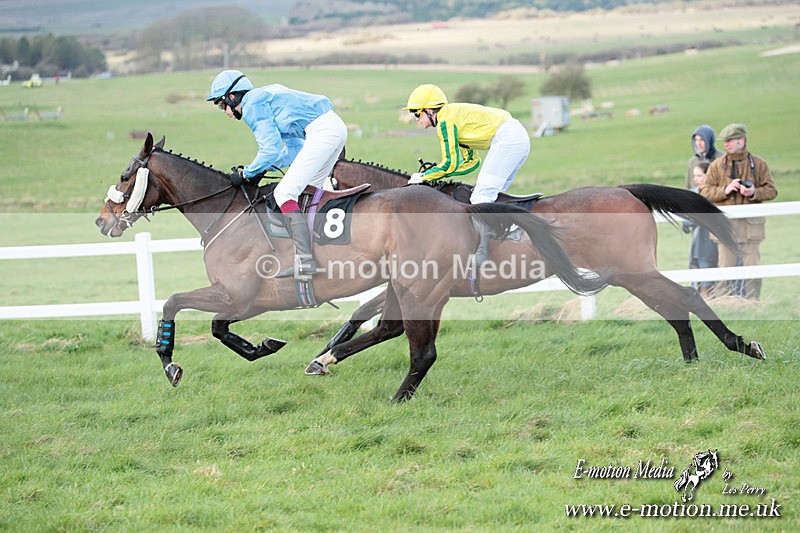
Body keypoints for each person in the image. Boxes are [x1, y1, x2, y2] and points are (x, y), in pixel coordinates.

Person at [207, 69, 348, 277]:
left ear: (232, 96)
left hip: (323, 132)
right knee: (307, 193)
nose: (226, 112)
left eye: (221, 105)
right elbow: (294, 149)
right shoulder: (264, 99)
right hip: (332, 128)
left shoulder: (251, 104)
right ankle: (323, 251)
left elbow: (270, 149)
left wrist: (247, 173)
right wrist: (265, 167)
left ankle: (305, 261)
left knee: (284, 194)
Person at [403, 84, 531, 265]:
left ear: (430, 110)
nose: (417, 120)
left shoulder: (445, 121)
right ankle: (511, 229)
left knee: (481, 196)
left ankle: (481, 253)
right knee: (491, 193)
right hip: (515, 137)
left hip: (508, 140)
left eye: (417, 113)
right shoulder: (452, 117)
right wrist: (434, 175)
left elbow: (450, 163)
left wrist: (425, 176)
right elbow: (471, 162)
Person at [700, 123, 777, 299]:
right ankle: (724, 305)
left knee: (753, 269)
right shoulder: (717, 166)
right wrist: (725, 190)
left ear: (741, 140)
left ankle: (754, 304)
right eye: (724, 141)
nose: (725, 145)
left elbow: (772, 191)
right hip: (725, 228)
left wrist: (753, 192)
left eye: (729, 141)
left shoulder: (759, 164)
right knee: (725, 269)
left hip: (751, 228)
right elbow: (704, 192)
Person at [683, 161, 717, 299]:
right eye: (694, 176)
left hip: (708, 239)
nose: (695, 179)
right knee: (696, 265)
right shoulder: (693, 193)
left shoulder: (714, 194)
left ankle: (707, 296)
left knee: (706, 265)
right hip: (697, 238)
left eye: (699, 176)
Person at [685, 124, 723, 189]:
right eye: (696, 140)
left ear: (710, 140)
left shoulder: (722, 159)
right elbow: (688, 187)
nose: (698, 143)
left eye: (702, 140)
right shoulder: (692, 162)